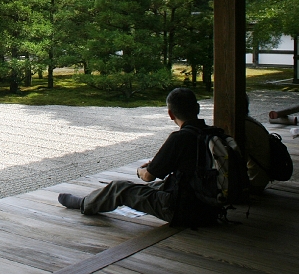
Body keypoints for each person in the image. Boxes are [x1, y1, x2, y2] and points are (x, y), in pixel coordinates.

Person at [57, 87, 219, 227]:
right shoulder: (212, 135)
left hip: (182, 211)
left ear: (170, 114)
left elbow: (148, 177)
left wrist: (141, 170)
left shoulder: (179, 138)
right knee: (161, 184)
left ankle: (84, 204)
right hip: (212, 209)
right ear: (197, 108)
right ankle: (92, 199)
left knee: (120, 188)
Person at [241, 93, 272, 193]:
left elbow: (237, 161)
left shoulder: (241, 127)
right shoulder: (251, 122)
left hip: (253, 182)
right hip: (261, 178)